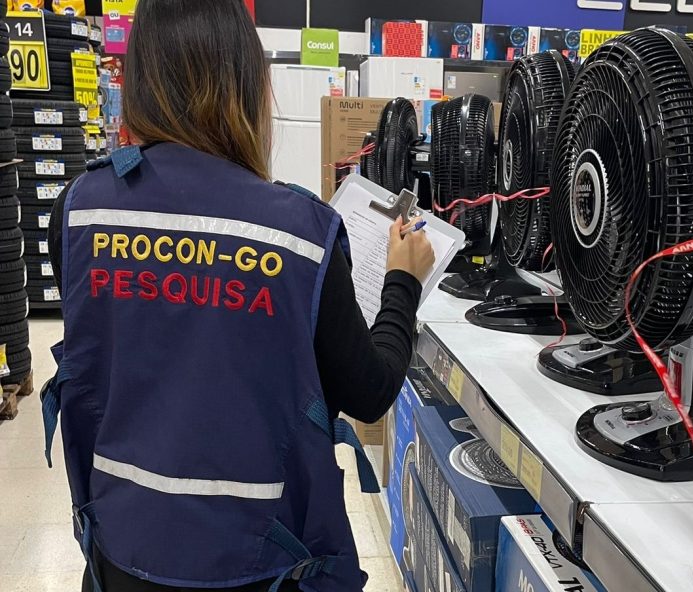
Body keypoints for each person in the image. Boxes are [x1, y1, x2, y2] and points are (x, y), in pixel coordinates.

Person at [42, 0, 435, 590]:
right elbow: (370, 389)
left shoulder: (78, 210)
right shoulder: (299, 234)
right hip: (262, 565)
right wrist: (402, 279)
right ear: (247, 83)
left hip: (121, 554)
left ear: (141, 78)